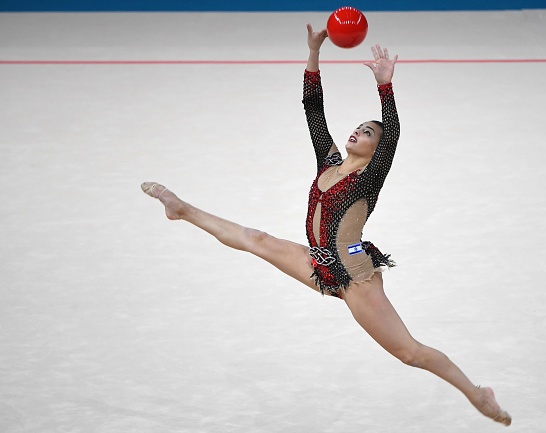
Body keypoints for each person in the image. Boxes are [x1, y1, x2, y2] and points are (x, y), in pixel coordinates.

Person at [141, 24, 512, 427]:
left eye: (367, 133)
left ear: (376, 150)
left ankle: (477, 395)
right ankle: (181, 209)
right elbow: (313, 110)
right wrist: (313, 53)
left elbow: (393, 134)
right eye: (358, 127)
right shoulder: (330, 162)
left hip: (354, 277)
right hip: (320, 262)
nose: (357, 131)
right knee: (256, 239)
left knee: (409, 353)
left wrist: (385, 86)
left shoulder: (369, 177)